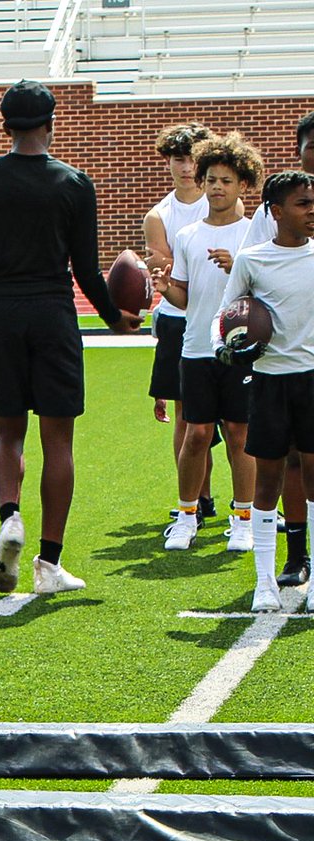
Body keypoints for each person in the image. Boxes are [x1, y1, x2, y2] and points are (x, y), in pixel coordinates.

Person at [0, 79, 140, 596]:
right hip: (53, 315)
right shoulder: (74, 183)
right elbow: (87, 269)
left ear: (5, 125)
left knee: (6, 433)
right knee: (59, 442)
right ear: (51, 124)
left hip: (2, 313)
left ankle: (10, 514)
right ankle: (49, 564)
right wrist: (114, 318)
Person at [153, 133, 263, 554]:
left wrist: (239, 266)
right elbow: (184, 296)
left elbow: (264, 294)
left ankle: (243, 517)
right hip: (196, 346)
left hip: (238, 350)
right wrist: (166, 288)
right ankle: (186, 515)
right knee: (196, 433)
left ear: (243, 186)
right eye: (211, 179)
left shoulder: (254, 235)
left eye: (227, 181)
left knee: (239, 433)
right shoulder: (189, 235)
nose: (217, 187)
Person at [212, 171, 314, 614]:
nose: (311, 211)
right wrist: (225, 349)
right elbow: (226, 313)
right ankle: (263, 582)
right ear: (275, 212)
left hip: (312, 379)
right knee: (268, 479)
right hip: (269, 383)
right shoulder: (253, 260)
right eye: (302, 204)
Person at [239, 110, 314, 587]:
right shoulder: (278, 212)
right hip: (278, 369)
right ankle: (294, 555)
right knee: (286, 463)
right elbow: (240, 296)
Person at [143, 123, 218, 521]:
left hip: (221, 317)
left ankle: (253, 503)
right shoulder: (159, 215)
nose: (187, 166)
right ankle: (196, 499)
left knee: (240, 420)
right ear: (168, 163)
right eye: (179, 158)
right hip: (179, 319)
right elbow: (170, 275)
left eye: (192, 158)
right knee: (188, 417)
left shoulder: (225, 202)